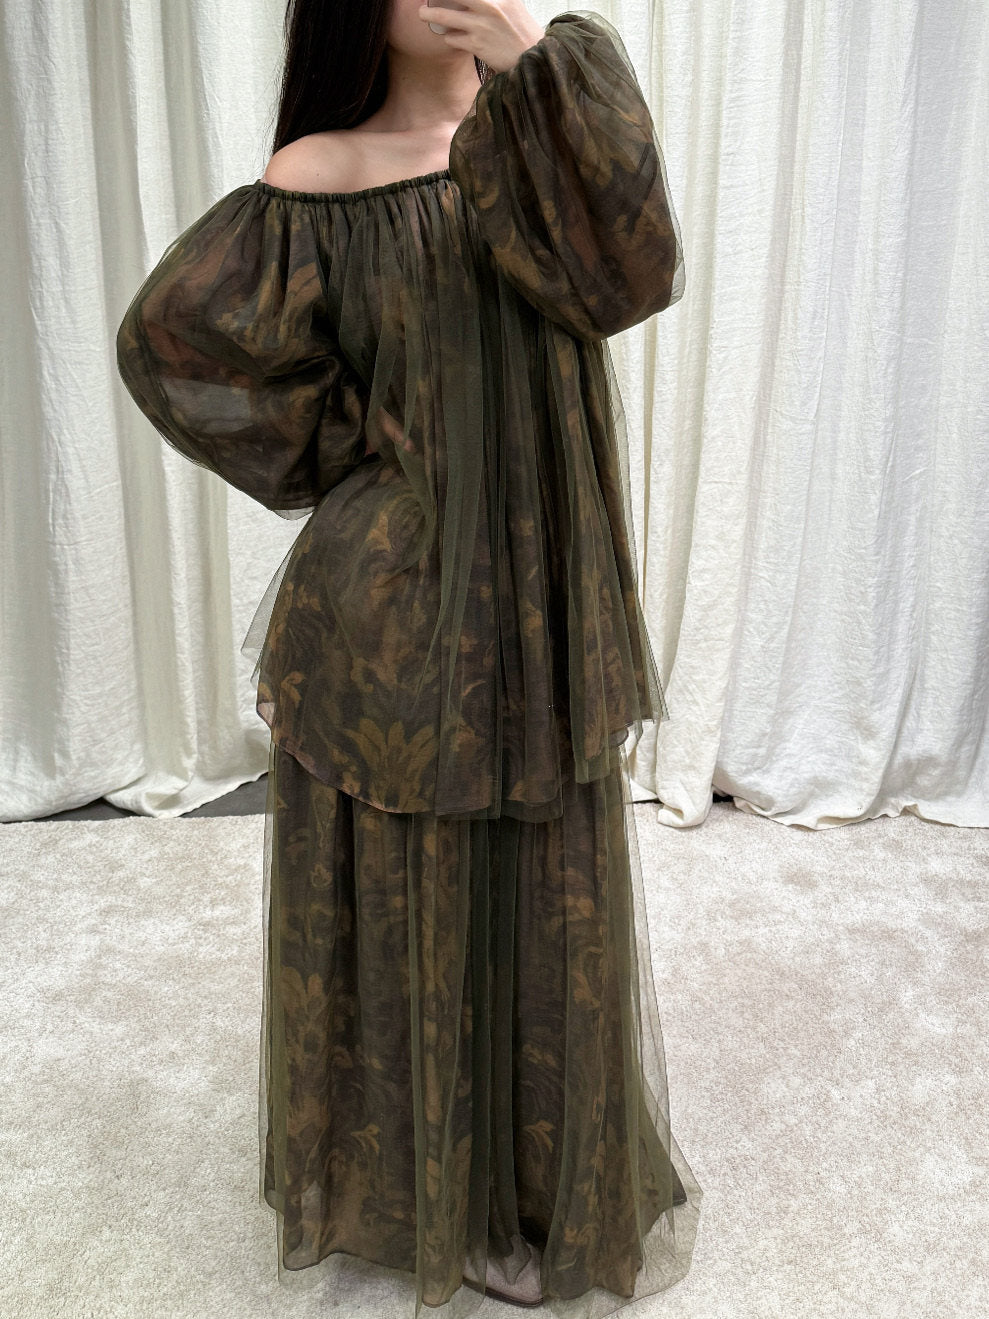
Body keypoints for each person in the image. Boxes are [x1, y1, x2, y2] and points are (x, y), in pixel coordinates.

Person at [115, 1, 702, 1314]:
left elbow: (634, 276)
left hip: (542, 591)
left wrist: (533, 71)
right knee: (418, 886)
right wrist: (356, 460)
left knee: (545, 880)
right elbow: (171, 337)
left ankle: (535, 1189)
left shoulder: (544, 129)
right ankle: (430, 1194)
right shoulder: (318, 176)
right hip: (391, 600)